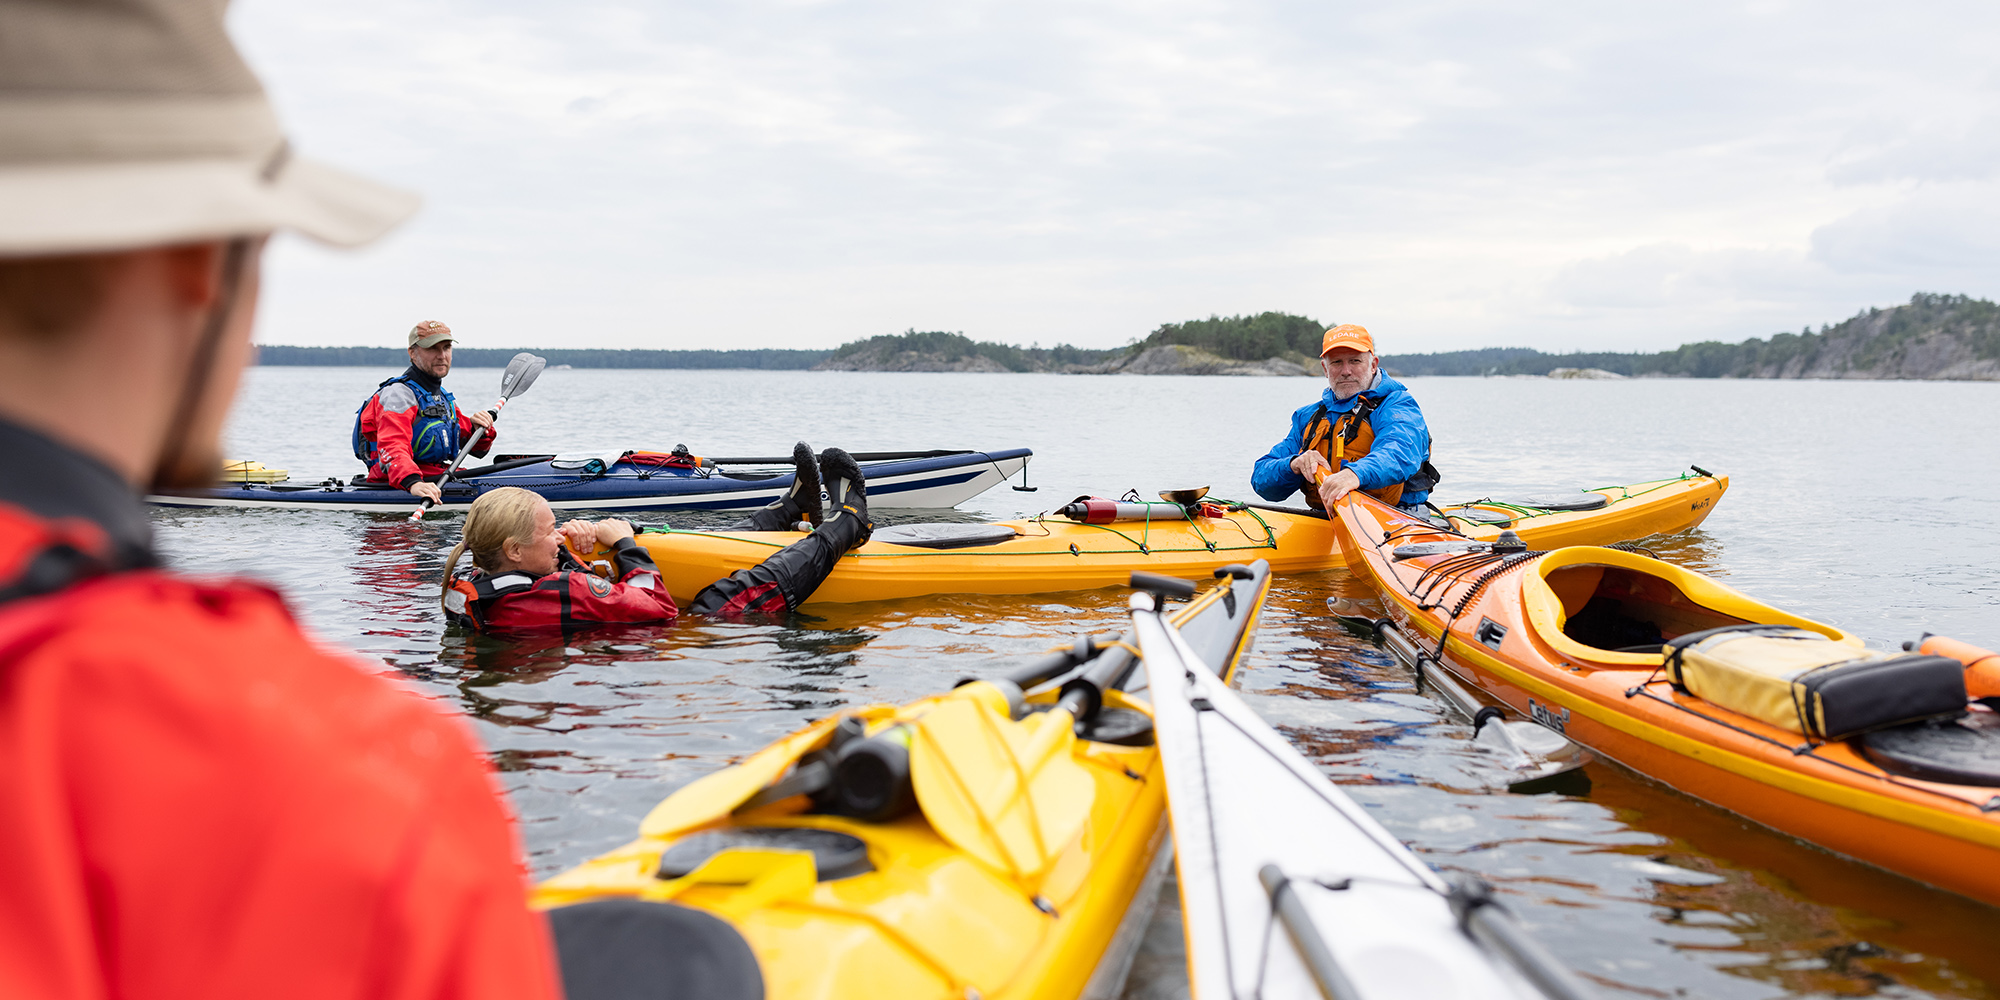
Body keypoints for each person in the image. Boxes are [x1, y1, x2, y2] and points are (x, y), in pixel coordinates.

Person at [0, 2, 561, 997]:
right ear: (197, 265)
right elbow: (395, 463)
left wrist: (471, 444)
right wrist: (421, 482)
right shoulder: (369, 777)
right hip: (394, 520)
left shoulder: (441, 400)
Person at [444, 444, 873, 628]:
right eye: (548, 532)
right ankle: (848, 524)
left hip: (610, 630)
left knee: (705, 554)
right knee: (728, 597)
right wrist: (627, 546)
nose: (557, 536)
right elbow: (658, 607)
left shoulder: (473, 573)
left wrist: (568, 551)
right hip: (673, 636)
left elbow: (531, 579)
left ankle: (786, 512)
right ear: (514, 549)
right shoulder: (563, 592)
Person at [1252, 323, 1438, 510]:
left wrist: (1353, 475)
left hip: (1396, 516)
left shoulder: (1397, 405)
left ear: (1373, 365)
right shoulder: (1308, 416)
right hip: (1325, 519)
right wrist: (1293, 464)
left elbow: (1399, 452)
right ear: (1325, 369)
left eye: (1355, 361)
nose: (1346, 371)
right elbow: (1261, 480)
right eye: (1336, 362)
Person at [353, 319, 497, 505]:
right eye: (432, 349)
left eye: (446, 347)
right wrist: (413, 483)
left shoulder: (442, 398)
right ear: (412, 352)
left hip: (436, 476)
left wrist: (482, 429)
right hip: (398, 483)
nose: (441, 355)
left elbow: (478, 450)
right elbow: (392, 446)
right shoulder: (398, 395)